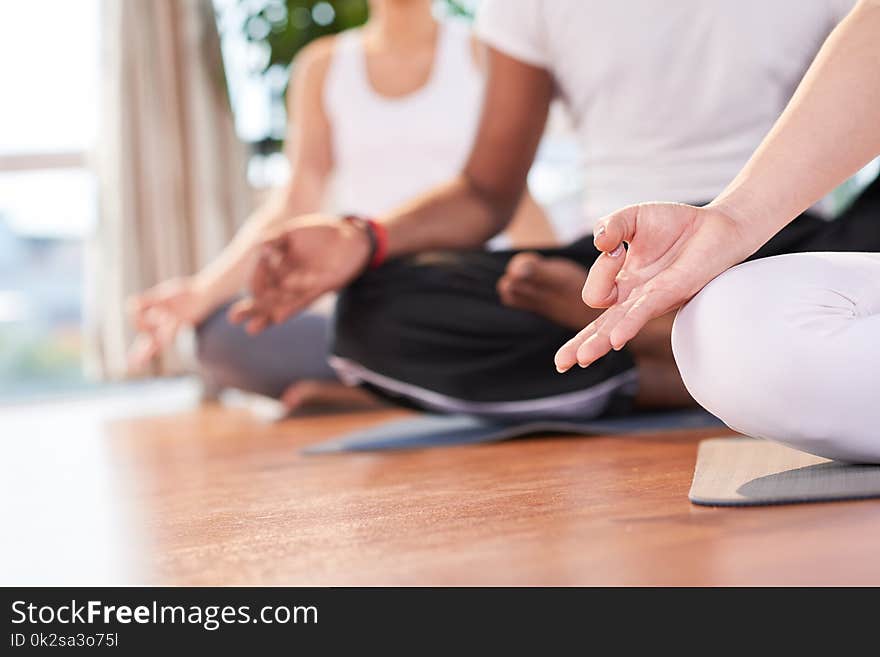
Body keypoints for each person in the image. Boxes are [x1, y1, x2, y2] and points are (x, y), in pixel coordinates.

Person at [231, 0, 873, 421]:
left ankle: (658, 350)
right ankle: (710, 352)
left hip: (795, 238)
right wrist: (365, 238)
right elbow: (486, 192)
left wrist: (734, 222)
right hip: (614, 263)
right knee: (375, 309)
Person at [127, 0, 555, 410]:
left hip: (454, 300)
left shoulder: (483, 53)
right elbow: (295, 199)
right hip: (366, 305)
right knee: (221, 335)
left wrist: (559, 288)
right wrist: (202, 291)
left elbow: (507, 194)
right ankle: (409, 392)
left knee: (521, 332)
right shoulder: (322, 66)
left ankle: (376, 394)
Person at [557, 0, 880, 461]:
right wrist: (732, 220)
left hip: (813, 231)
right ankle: (655, 347)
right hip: (775, 228)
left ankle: (640, 365)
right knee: (728, 326)